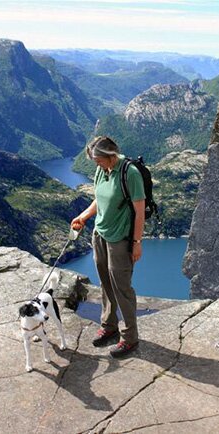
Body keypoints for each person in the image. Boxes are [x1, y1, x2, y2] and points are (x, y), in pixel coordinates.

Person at [71, 136, 145, 358]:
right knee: (105, 283)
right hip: (100, 234)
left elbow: (139, 212)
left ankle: (130, 337)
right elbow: (99, 199)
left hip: (120, 239)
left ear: (111, 155)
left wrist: (137, 243)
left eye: (98, 159)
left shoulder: (129, 174)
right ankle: (109, 325)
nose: (95, 164)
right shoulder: (102, 170)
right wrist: (83, 216)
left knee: (122, 288)